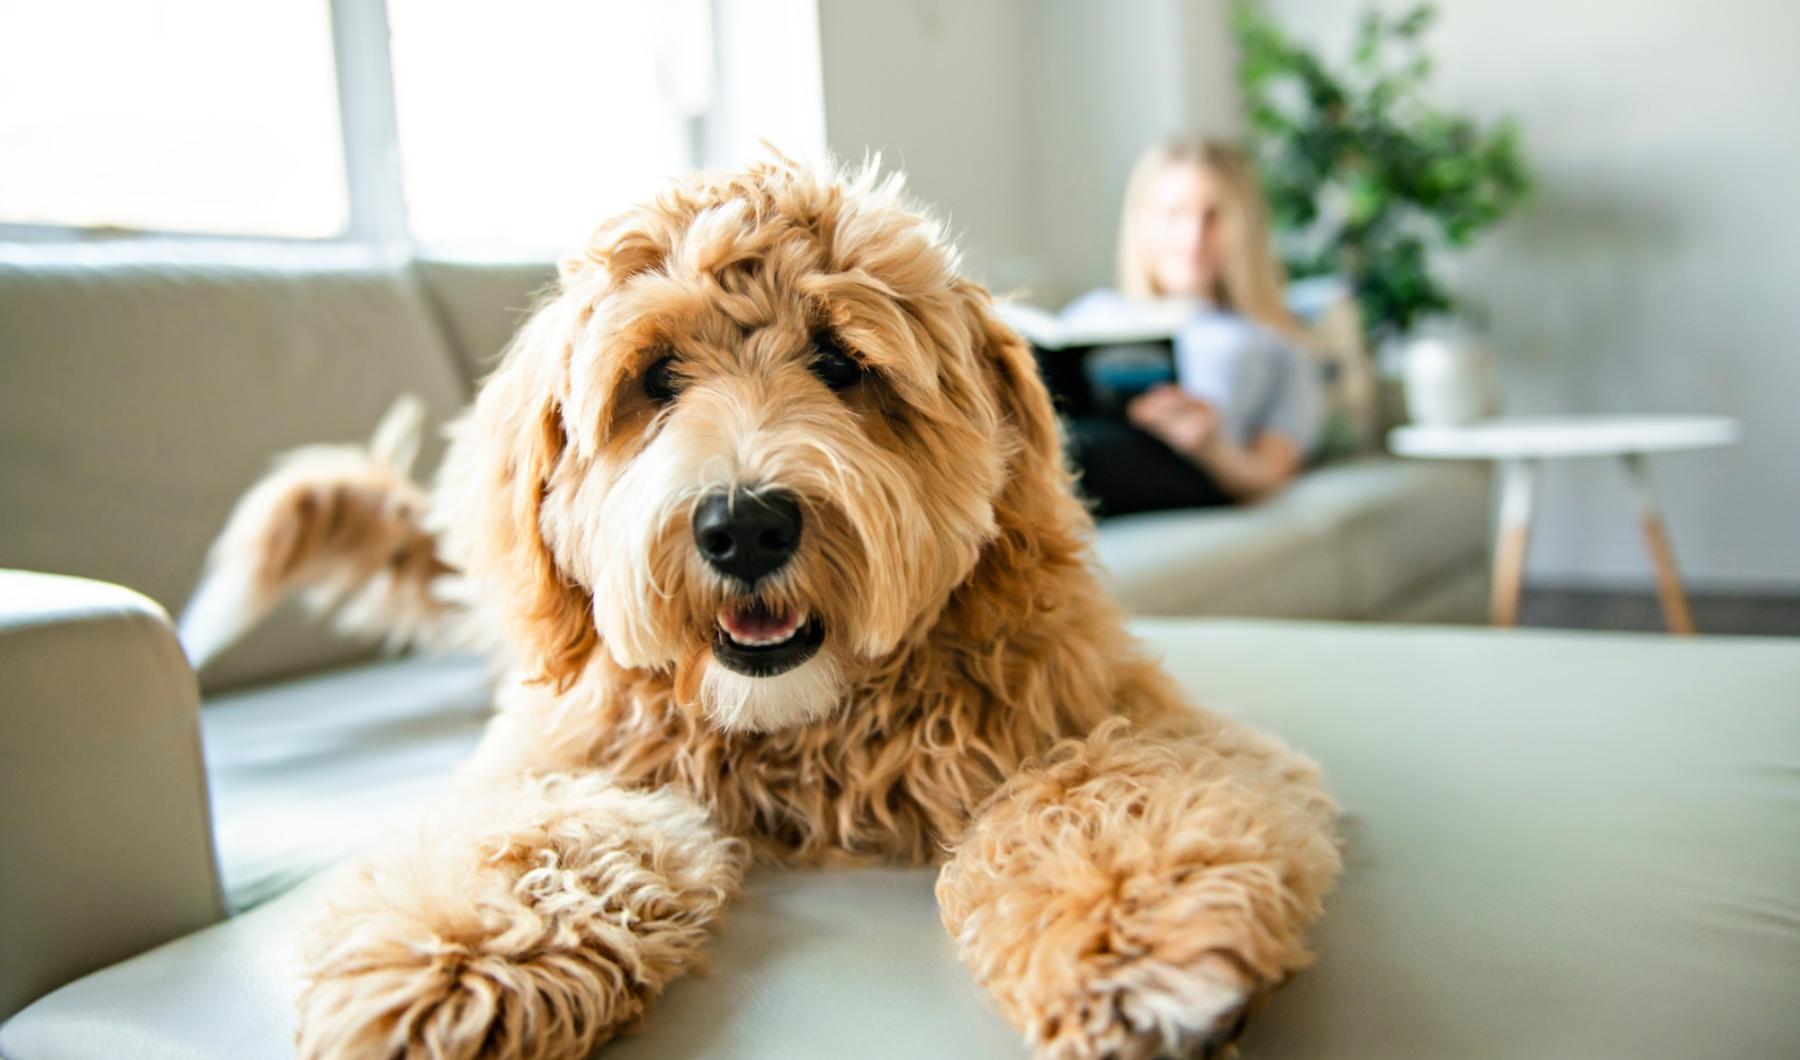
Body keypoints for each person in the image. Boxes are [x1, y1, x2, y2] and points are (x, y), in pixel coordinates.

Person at [1058, 137, 1323, 517]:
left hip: (1184, 465)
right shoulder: (1092, 312)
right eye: (1174, 213)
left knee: (1064, 452)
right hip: (1067, 441)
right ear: (1142, 223)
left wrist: (1210, 446)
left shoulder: (1271, 340)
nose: (1193, 236)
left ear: (1244, 228)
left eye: (1213, 215)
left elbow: (1270, 471)